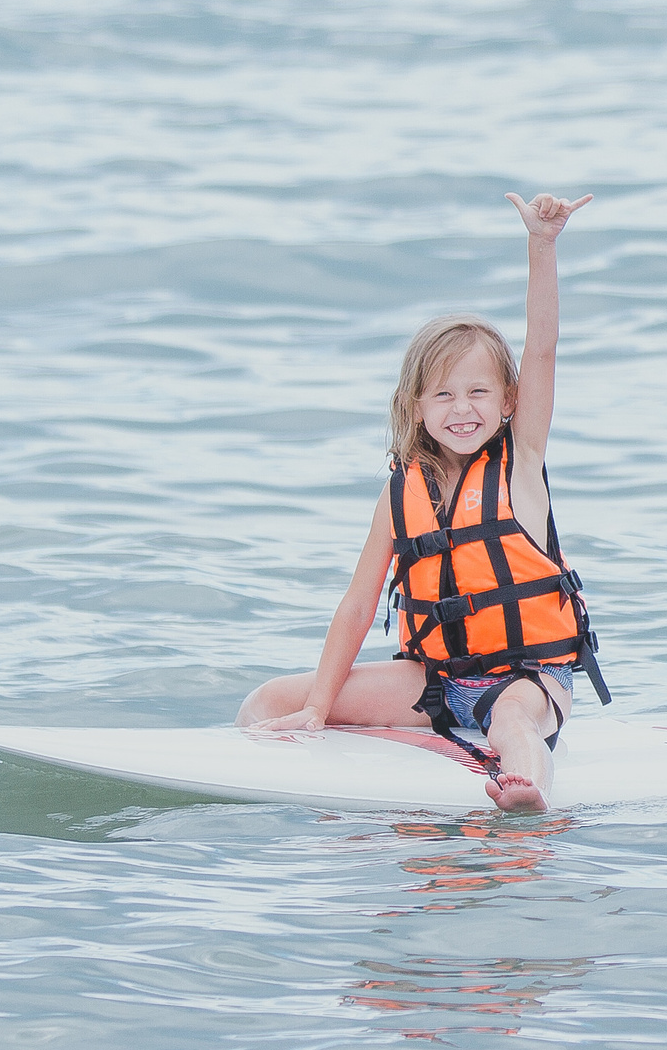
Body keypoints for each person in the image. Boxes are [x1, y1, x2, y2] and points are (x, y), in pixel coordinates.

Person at [238, 192, 604, 811]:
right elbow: (357, 607)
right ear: (416, 407)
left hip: (528, 677)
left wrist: (542, 248)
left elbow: (542, 350)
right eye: (443, 396)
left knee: (510, 723)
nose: (463, 409)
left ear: (509, 401)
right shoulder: (400, 491)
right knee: (269, 701)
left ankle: (524, 789)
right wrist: (316, 711)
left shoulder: (523, 464)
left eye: (479, 392)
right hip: (434, 681)